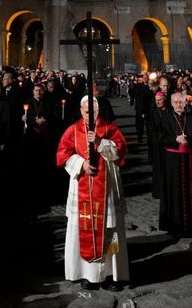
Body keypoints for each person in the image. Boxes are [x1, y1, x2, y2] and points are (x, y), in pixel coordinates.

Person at [56, 95, 129, 290]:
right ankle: (86, 274)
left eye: (94, 111)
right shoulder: (73, 130)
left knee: (108, 229)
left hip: (106, 189)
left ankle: (111, 274)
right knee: (83, 228)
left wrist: (99, 141)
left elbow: (120, 151)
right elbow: (63, 154)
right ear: (81, 111)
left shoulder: (110, 128)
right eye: (86, 111)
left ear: (98, 111)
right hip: (82, 186)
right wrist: (82, 164)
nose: (90, 114)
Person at [156, 91, 192, 237]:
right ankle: (174, 226)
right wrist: (175, 139)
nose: (178, 104)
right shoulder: (165, 118)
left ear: (185, 103)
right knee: (174, 191)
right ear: (171, 104)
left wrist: (189, 140)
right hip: (172, 162)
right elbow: (159, 137)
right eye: (176, 102)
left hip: (190, 160)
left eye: (181, 102)